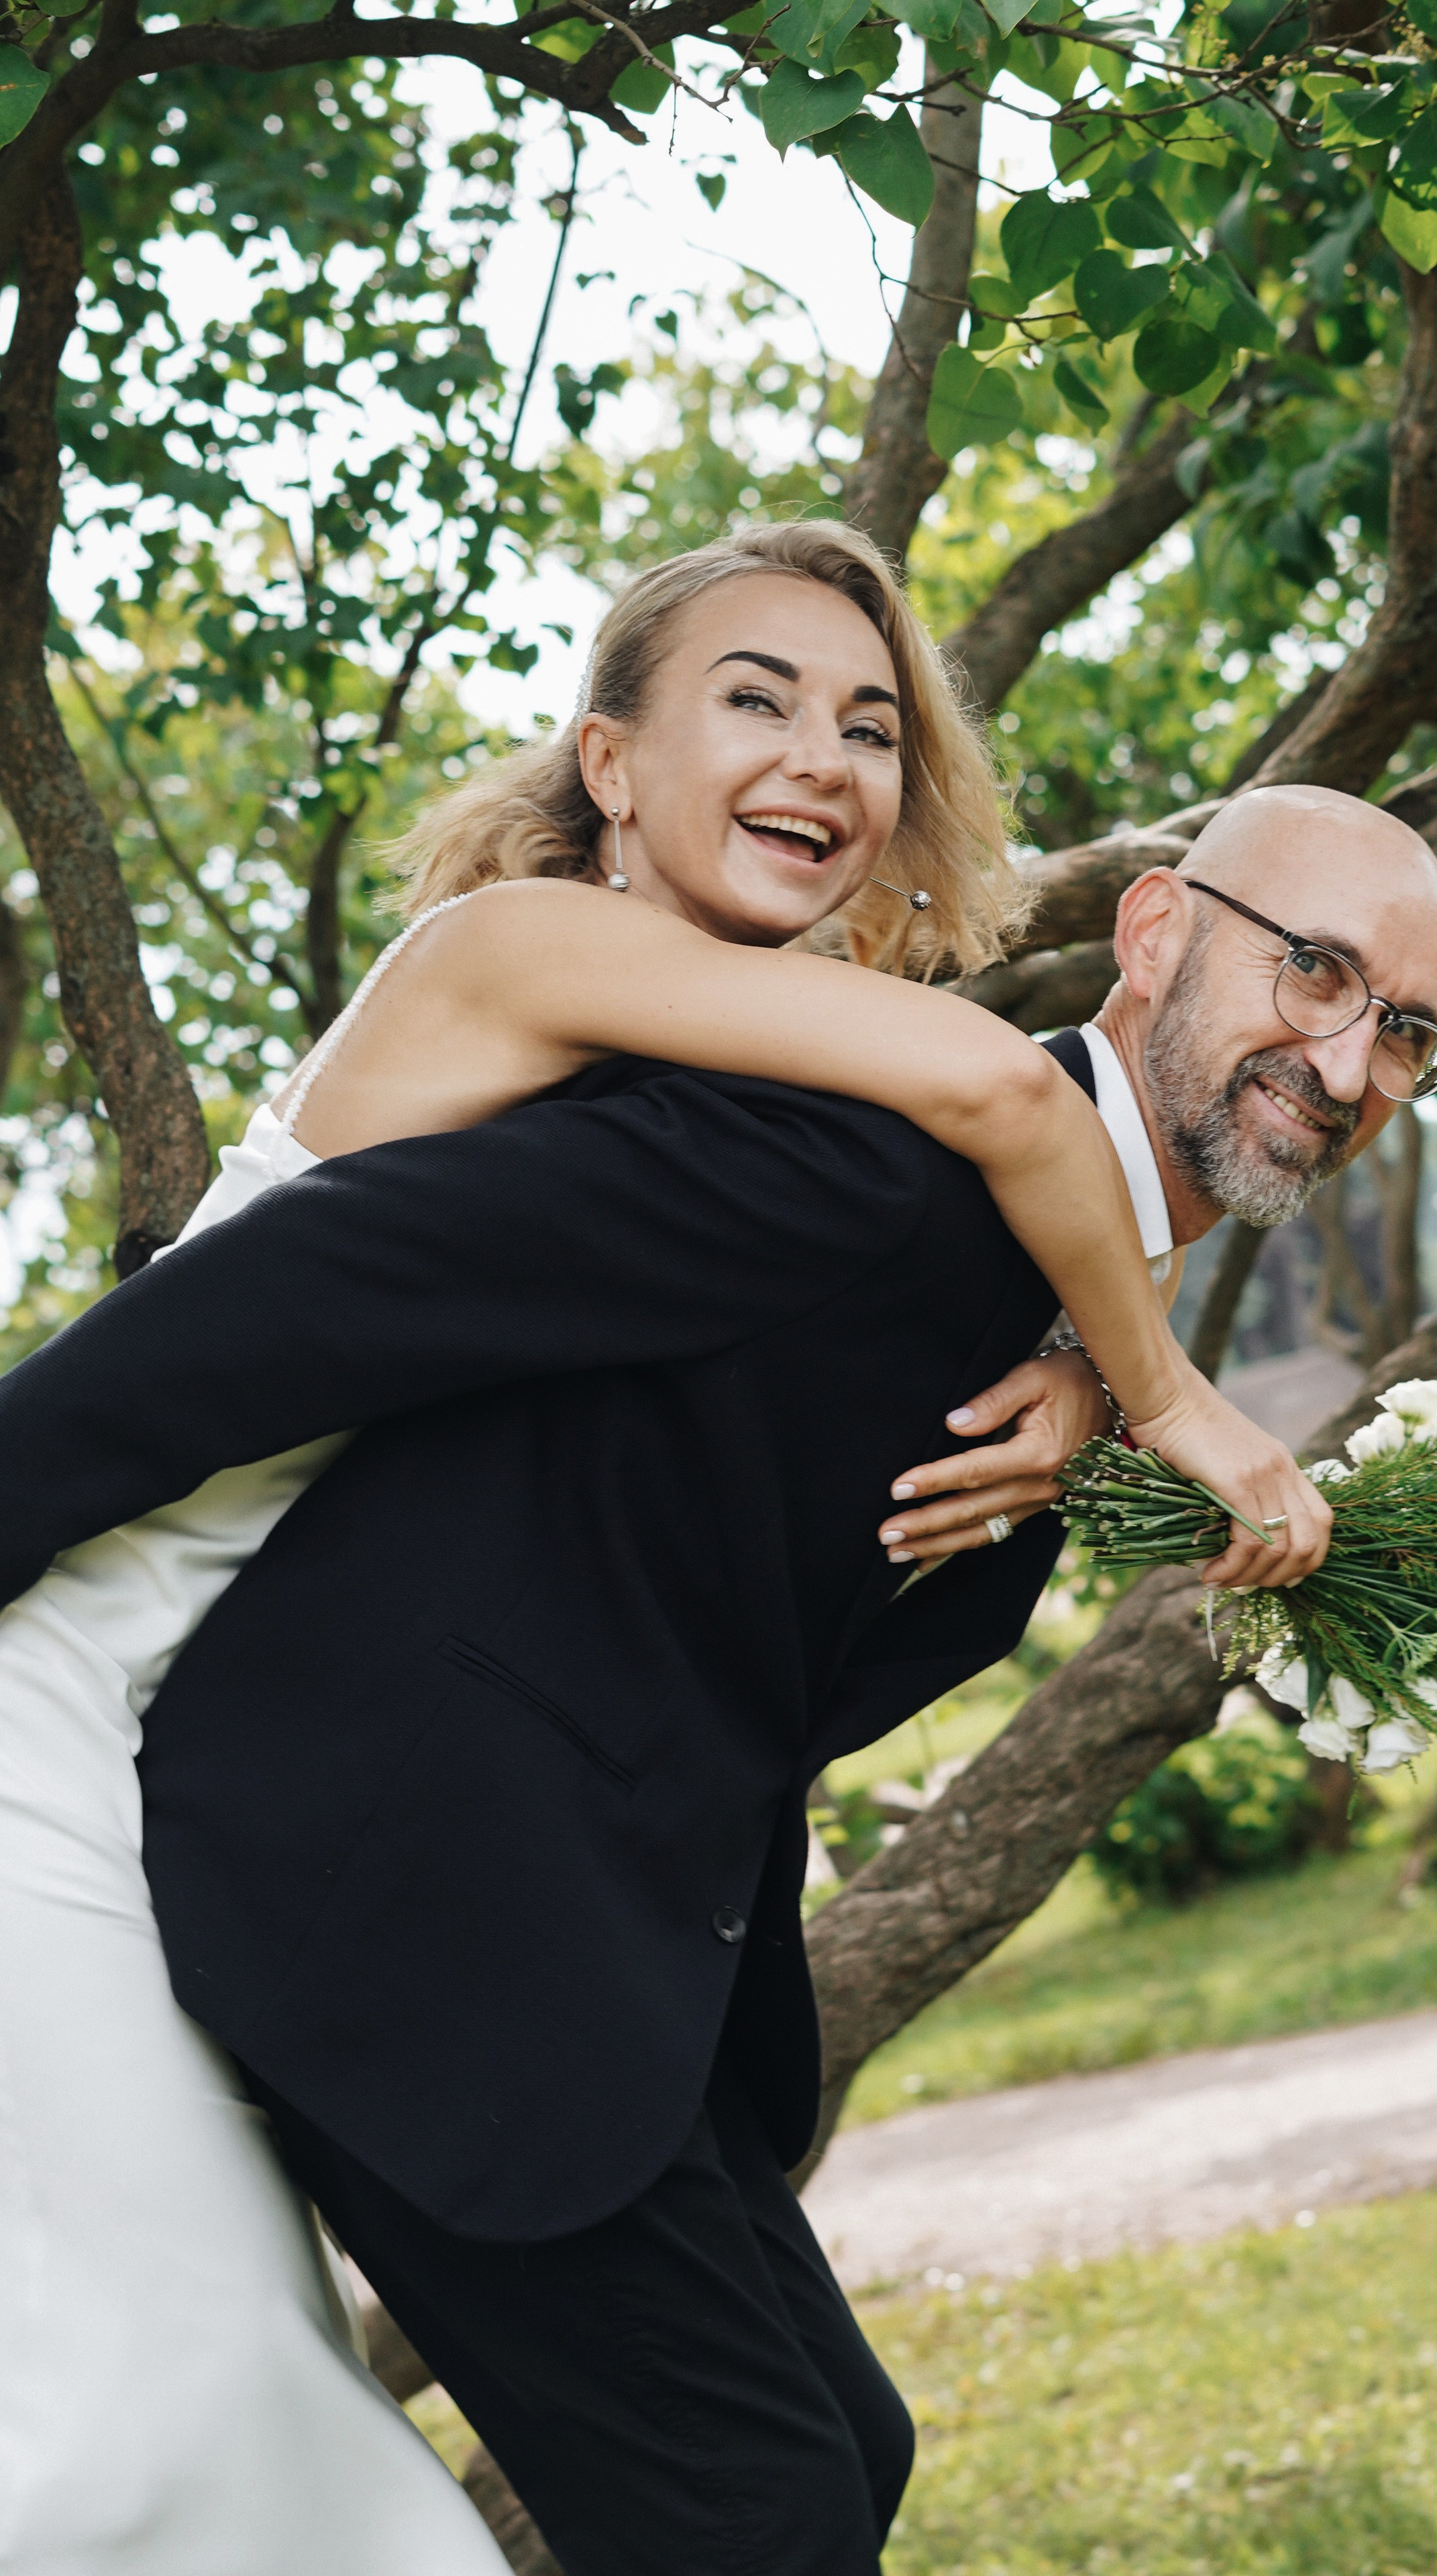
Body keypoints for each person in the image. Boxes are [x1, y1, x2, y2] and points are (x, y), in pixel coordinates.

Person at [0, 522, 1325, 2575]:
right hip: (66, 1684)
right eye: (760, 700)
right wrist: (1167, 1394)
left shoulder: (714, 1027)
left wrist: (1066, 1376)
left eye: (874, 728)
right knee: (165, 2422)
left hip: (238, 1718)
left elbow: (846, 1268)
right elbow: (994, 1082)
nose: (829, 758)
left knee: (800, 2456)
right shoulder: (521, 947)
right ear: (611, 764)